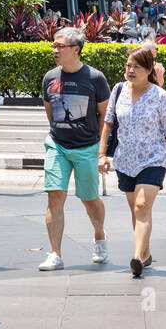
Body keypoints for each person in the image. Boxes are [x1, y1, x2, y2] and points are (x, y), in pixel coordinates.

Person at [100, 48, 166, 277]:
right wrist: (102, 154)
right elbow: (108, 124)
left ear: (149, 70)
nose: (130, 70)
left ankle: (136, 257)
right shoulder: (118, 90)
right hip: (125, 160)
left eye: (136, 66)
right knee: (136, 210)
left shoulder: (160, 96)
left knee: (141, 206)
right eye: (128, 65)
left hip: (152, 159)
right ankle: (145, 253)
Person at [38, 28, 110, 271]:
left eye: (60, 46)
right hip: (57, 145)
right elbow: (50, 113)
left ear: (76, 50)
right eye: (53, 46)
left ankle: (99, 235)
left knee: (89, 199)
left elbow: (104, 116)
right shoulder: (50, 77)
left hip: (87, 147)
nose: (55, 50)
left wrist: (101, 151)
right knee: (55, 196)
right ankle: (55, 254)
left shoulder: (95, 78)